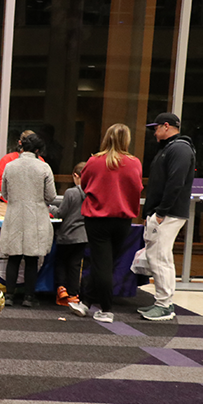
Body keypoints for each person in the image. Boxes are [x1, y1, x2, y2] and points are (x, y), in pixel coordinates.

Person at [69, 123, 143, 323]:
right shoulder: (134, 163)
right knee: (105, 263)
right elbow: (137, 188)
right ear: (126, 140)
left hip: (97, 219)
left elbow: (84, 185)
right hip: (122, 220)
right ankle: (85, 302)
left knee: (101, 264)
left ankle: (106, 309)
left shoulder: (94, 161)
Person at [139, 113, 196, 321]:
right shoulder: (172, 148)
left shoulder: (179, 148)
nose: (154, 132)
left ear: (166, 126)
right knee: (161, 257)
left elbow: (175, 183)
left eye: (156, 128)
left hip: (168, 213)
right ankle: (163, 302)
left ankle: (164, 305)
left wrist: (161, 212)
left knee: (160, 258)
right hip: (165, 212)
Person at [0, 133, 56, 307]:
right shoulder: (44, 168)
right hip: (36, 216)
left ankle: (9, 296)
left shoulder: (10, 166)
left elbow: (4, 193)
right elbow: (51, 196)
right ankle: (29, 297)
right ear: (38, 150)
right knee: (32, 259)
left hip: (14, 214)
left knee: (13, 257)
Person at [50, 161, 88, 306]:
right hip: (83, 235)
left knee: (61, 261)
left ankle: (62, 289)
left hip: (67, 234)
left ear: (75, 175)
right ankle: (73, 295)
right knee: (75, 265)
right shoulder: (91, 193)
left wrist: (51, 208)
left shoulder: (71, 192)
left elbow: (61, 213)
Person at [0, 130, 45, 217]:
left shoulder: (41, 161)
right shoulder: (8, 159)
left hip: (31, 208)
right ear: (20, 143)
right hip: (7, 206)